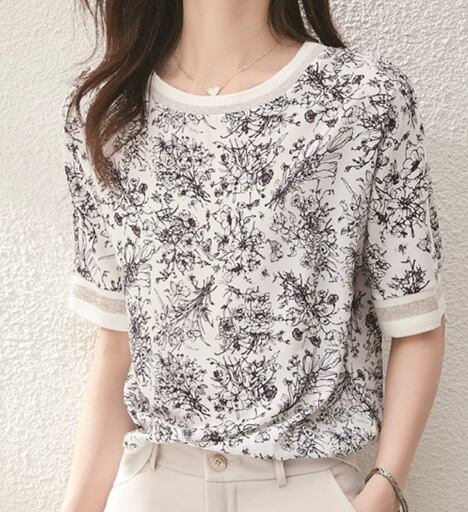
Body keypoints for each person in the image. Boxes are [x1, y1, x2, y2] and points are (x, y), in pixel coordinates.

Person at [59, 1, 446, 511]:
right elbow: (117, 345)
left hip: (305, 486)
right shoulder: (108, 111)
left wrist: (384, 491)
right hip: (154, 483)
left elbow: (416, 320)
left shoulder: (364, 98)